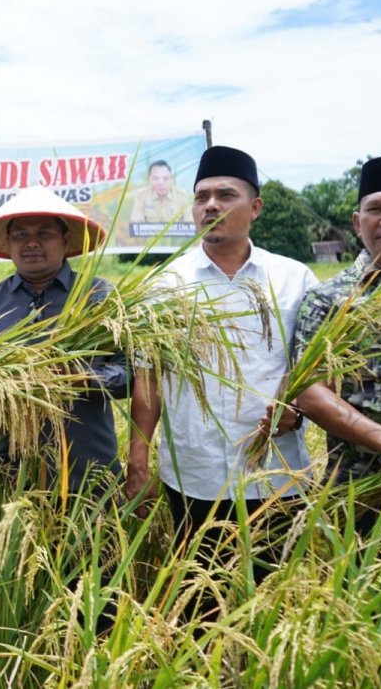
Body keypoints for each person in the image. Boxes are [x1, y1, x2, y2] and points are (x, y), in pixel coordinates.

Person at [127, 145, 317, 592]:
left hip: (278, 473)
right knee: (200, 599)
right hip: (194, 474)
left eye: (225, 195)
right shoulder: (164, 285)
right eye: (201, 196)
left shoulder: (294, 278)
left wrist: (296, 408)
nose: (210, 205)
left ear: (254, 208)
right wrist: (138, 460)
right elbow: (148, 379)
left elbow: (314, 367)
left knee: (276, 598)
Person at [0, 187, 126, 495]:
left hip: (91, 472)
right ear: (8, 242)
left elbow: (131, 374)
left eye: (44, 233)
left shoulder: (99, 296)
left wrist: (83, 378)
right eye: (21, 234)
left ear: (65, 241)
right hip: (13, 475)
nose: (32, 242)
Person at [294, 154, 381, 534]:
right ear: (357, 222)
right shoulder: (331, 299)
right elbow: (309, 390)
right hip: (359, 498)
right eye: (375, 209)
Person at [130, 160, 191, 224]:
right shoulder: (141, 196)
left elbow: (191, 224)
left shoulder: (182, 195)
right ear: (149, 179)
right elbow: (136, 226)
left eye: (165, 178)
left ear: (171, 179)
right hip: (150, 234)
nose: (160, 182)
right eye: (155, 178)